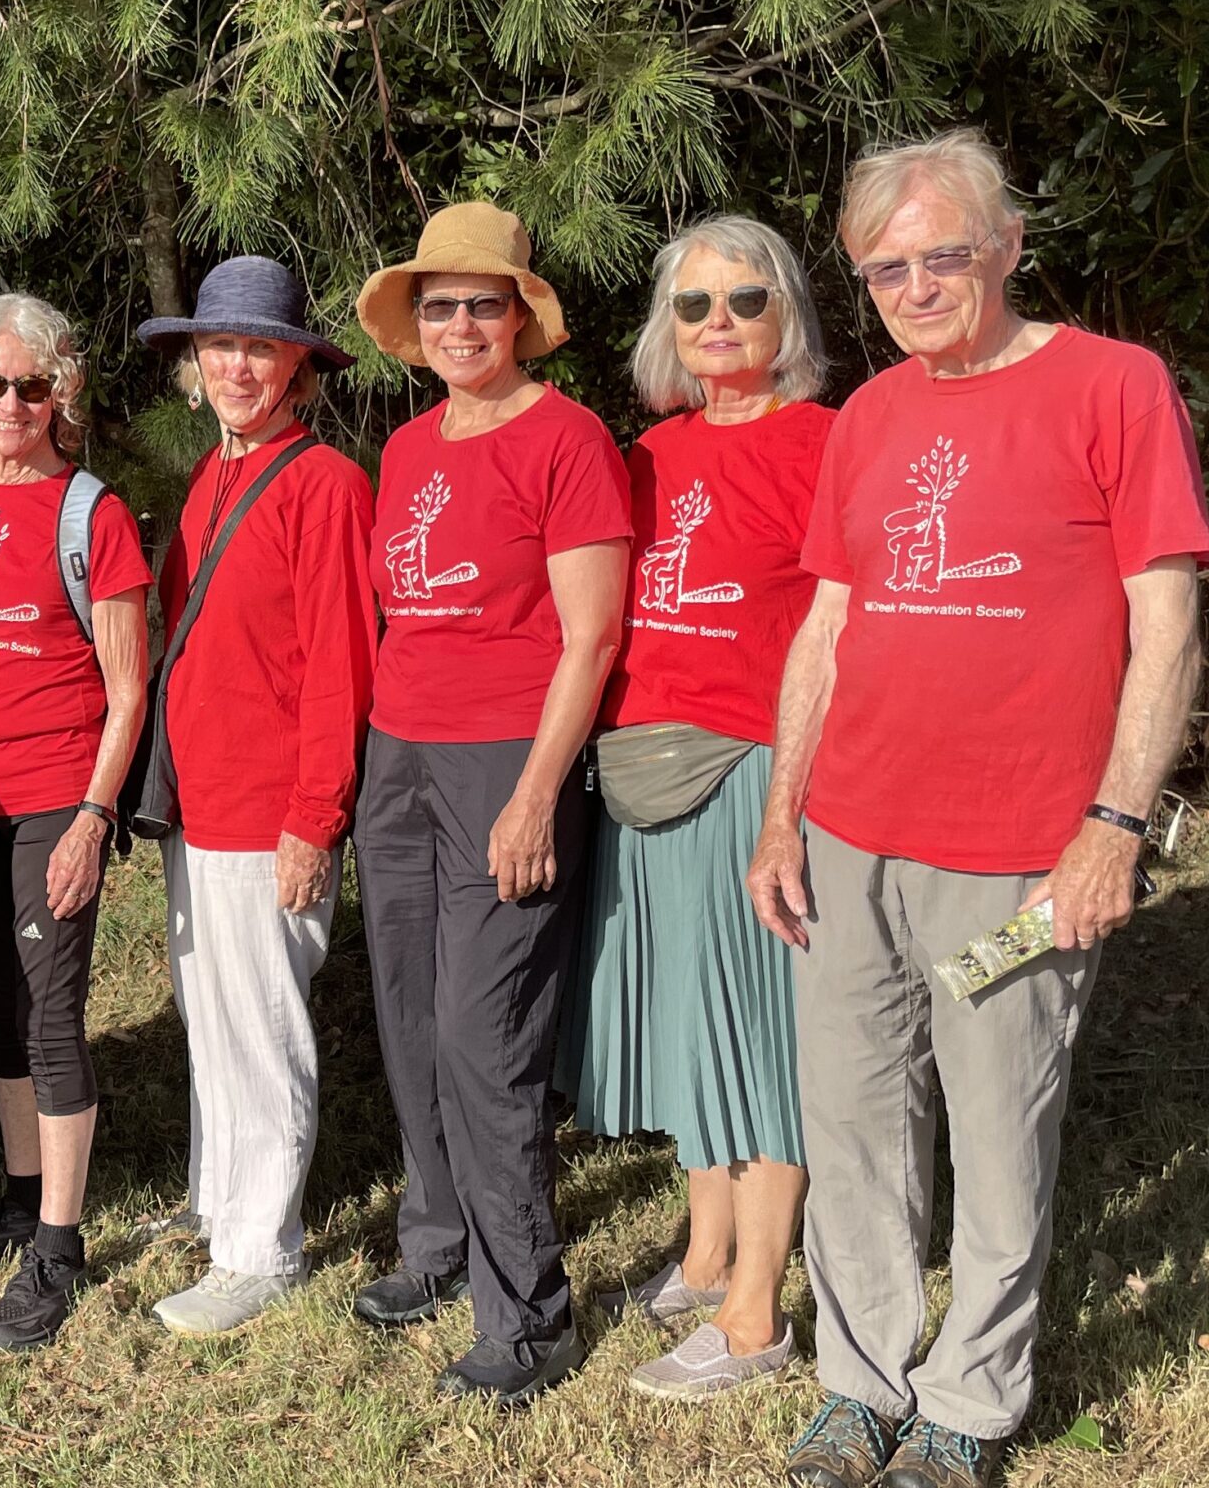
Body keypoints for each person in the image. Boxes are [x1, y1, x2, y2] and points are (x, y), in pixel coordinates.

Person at [752, 129, 1207, 1488]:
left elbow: (1169, 618)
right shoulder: (874, 416)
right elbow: (828, 622)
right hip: (847, 840)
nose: (915, 283)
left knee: (1001, 1134)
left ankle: (968, 1404)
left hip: (1020, 853)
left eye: (942, 254)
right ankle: (859, 1385)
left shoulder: (1112, 386)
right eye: (886, 266)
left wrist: (1117, 826)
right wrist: (784, 815)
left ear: (1008, 246)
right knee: (852, 1119)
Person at [349, 202, 631, 1404]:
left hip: (505, 756)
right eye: (440, 304)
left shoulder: (567, 439)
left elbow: (593, 634)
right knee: (408, 1014)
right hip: (397, 753)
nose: (462, 322)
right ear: (414, 327)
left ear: (521, 315)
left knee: (483, 1031)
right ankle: (437, 1240)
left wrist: (532, 796)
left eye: (484, 302)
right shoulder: (407, 449)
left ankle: (528, 1314)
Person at [552, 215, 834, 1402]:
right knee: (684, 1028)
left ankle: (756, 1306)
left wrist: (792, 798)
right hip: (640, 770)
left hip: (745, 774)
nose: (718, 322)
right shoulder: (645, 451)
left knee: (755, 1041)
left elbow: (841, 631)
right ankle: (706, 1243)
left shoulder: (825, 437)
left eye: (745, 300)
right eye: (693, 304)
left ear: (789, 317)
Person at [128, 256, 377, 1335]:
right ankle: (216, 1201)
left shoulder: (323, 483)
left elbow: (340, 666)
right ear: (194, 365)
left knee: (263, 1022)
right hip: (204, 800)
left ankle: (261, 1246)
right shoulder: (208, 478)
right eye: (220, 346)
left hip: (268, 802)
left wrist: (312, 817)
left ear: (298, 371)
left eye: (259, 349)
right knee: (208, 1014)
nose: (237, 365)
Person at [0, 293, 150, 1350]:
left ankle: (57, 1243)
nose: (11, 402)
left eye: (32, 384)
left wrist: (93, 817)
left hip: (55, 798)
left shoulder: (88, 512)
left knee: (51, 1017)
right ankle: (20, 1193)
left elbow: (127, 685)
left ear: (64, 392)